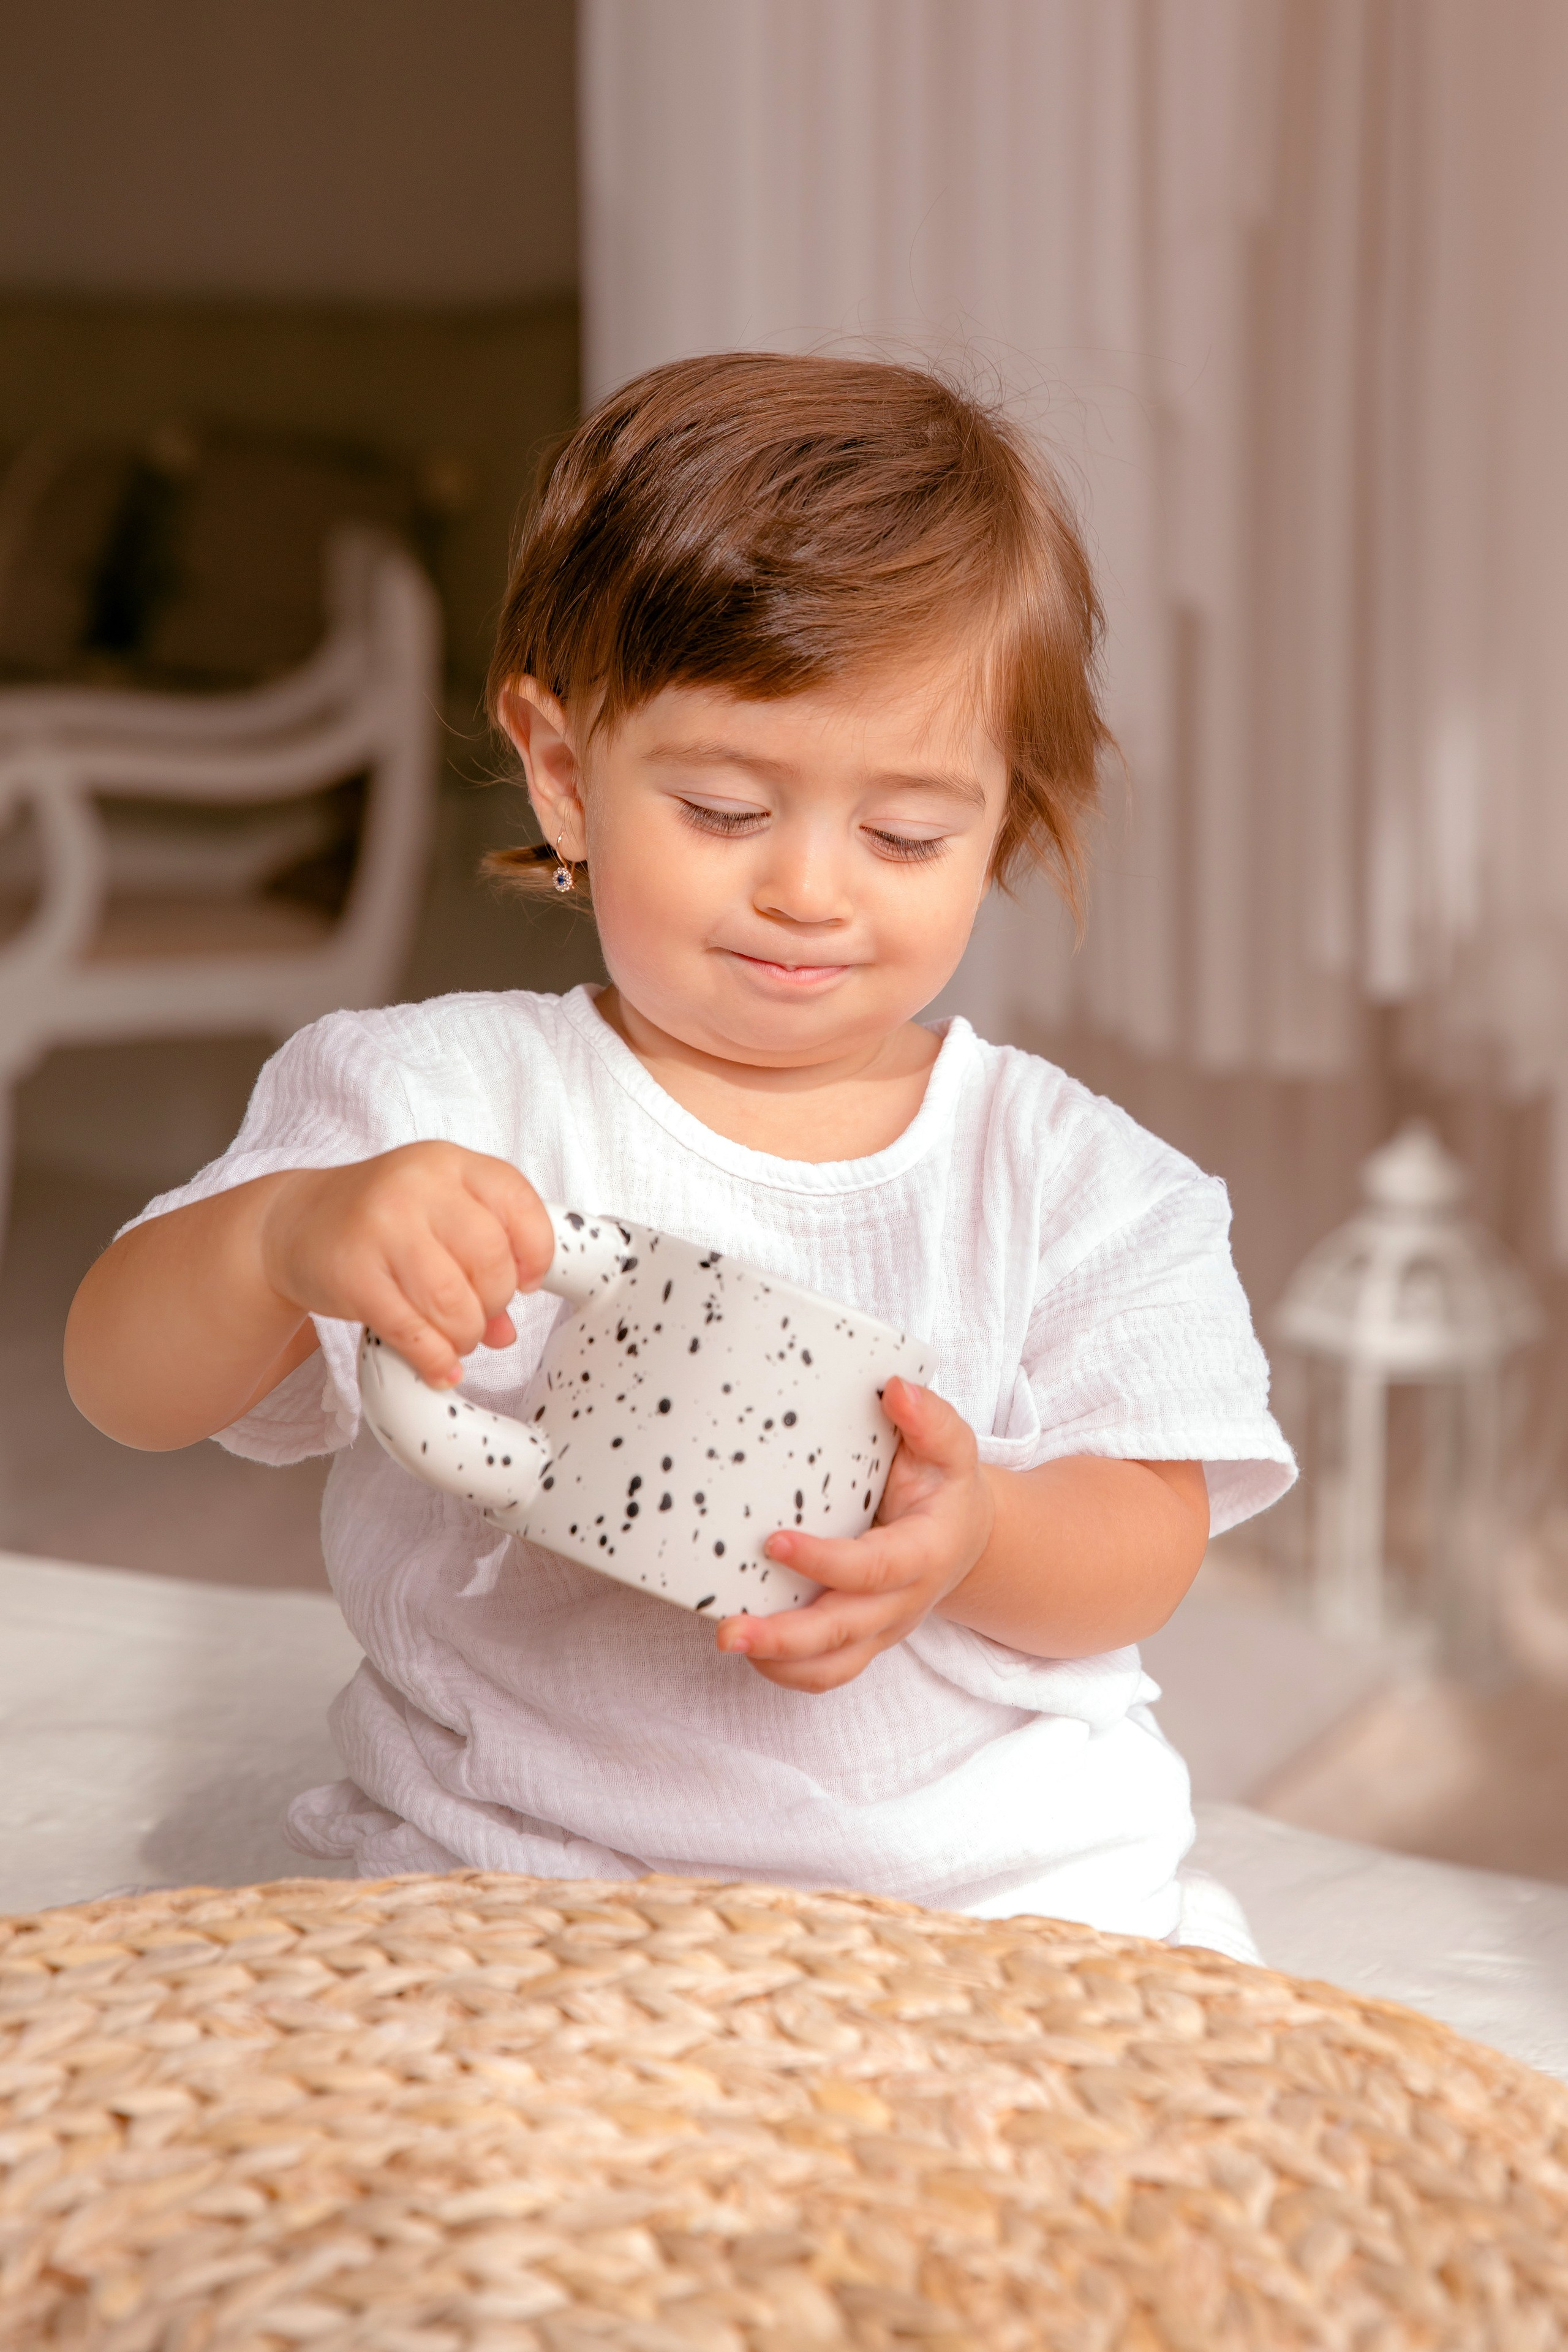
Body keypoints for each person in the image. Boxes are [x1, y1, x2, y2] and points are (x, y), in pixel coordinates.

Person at [66, 353, 1294, 1952]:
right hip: (517, 1883)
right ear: (567, 775)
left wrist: (979, 1529)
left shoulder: (1075, 1178)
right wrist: (281, 1236)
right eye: (724, 807)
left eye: (906, 833)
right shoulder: (434, 1094)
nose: (809, 887)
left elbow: (1149, 1541)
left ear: (1001, 822)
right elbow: (120, 1382)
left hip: (994, 1909)